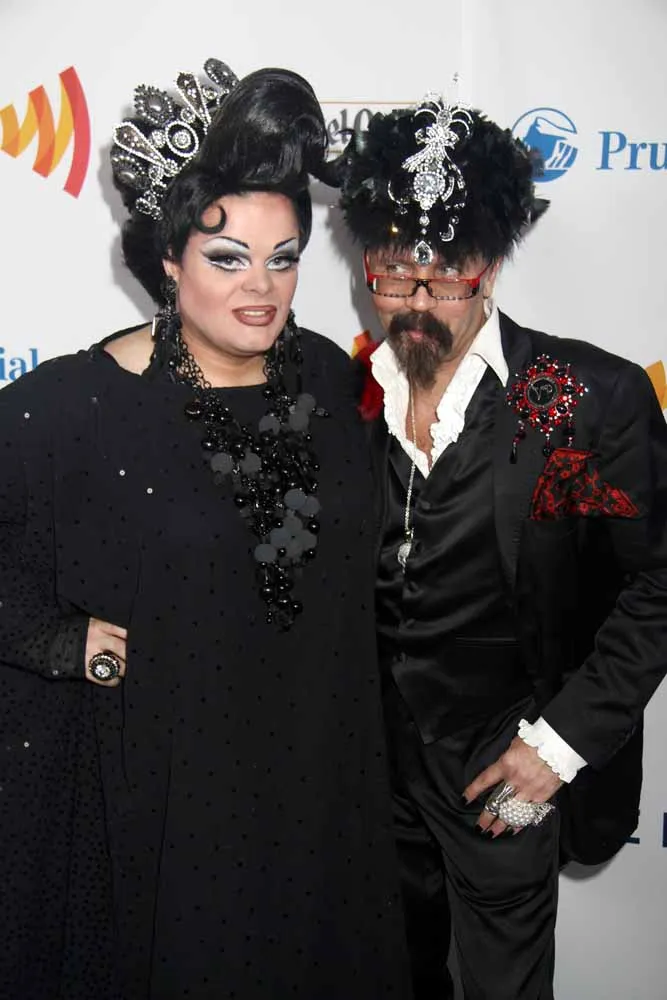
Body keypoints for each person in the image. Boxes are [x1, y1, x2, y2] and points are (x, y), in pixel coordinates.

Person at [0, 59, 412, 1000]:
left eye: (283, 257)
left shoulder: (335, 379)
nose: (260, 286)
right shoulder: (72, 407)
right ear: (168, 260)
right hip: (171, 798)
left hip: (319, 780)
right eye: (227, 258)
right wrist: (62, 643)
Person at [329, 96, 667, 998]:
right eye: (395, 271)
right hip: (369, 777)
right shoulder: (340, 397)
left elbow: (656, 587)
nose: (417, 300)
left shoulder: (583, 398)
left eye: (448, 273)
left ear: (492, 263)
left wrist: (556, 748)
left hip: (505, 768)